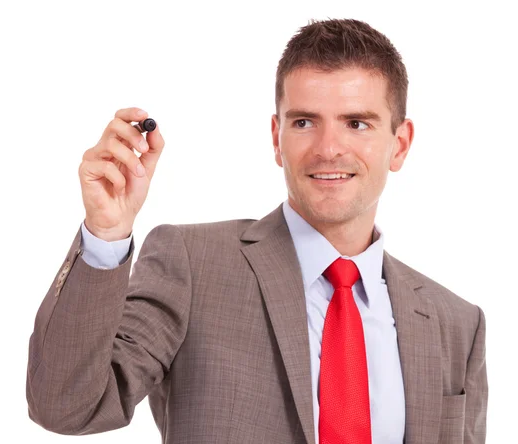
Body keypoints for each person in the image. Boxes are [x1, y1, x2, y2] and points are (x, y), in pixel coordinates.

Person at [26, 18, 487, 444]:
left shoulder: (455, 325)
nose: (328, 148)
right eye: (304, 122)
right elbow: (66, 407)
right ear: (276, 138)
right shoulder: (193, 265)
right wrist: (106, 235)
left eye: (356, 123)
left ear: (399, 144)